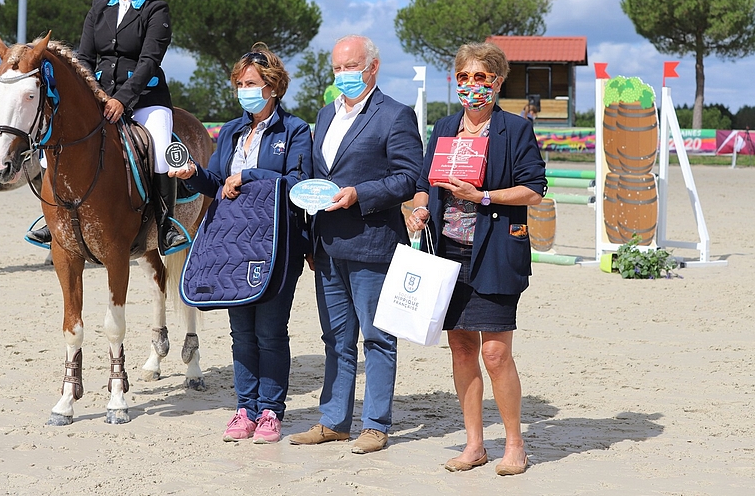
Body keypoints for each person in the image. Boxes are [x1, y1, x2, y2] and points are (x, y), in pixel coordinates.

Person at [405, 42, 546, 476]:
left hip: (497, 252)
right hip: (447, 253)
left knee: (496, 354)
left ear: (497, 82)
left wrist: (483, 196)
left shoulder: (515, 130)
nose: (471, 86)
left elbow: (534, 189)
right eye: (463, 77)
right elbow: (426, 182)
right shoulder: (445, 126)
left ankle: (515, 446)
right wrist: (419, 208)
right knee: (462, 348)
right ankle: (474, 445)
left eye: (481, 77)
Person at [169, 43, 313, 444]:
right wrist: (192, 174)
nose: (244, 90)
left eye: (251, 83)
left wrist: (249, 176)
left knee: (270, 332)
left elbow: (299, 183)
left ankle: (271, 411)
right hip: (233, 244)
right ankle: (244, 408)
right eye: (239, 83)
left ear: (272, 86)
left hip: (278, 243)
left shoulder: (295, 130)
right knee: (241, 334)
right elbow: (216, 183)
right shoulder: (231, 131)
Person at [287, 35, 423, 454]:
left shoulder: (395, 115)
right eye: (337, 68)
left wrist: (359, 193)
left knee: (378, 338)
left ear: (373, 67)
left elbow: (407, 177)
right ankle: (333, 421)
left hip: (373, 244)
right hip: (327, 247)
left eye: (351, 67)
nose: (343, 75)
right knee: (335, 339)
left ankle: (376, 425)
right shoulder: (325, 115)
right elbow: (314, 177)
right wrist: (310, 236)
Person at [26, 0, 184, 252]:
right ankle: (53, 217)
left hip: (145, 100)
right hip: (99, 98)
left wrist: (121, 99)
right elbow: (83, 57)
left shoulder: (156, 10)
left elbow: (149, 61)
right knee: (54, 145)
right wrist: (94, 94)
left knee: (161, 147)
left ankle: (165, 225)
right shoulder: (100, 8)